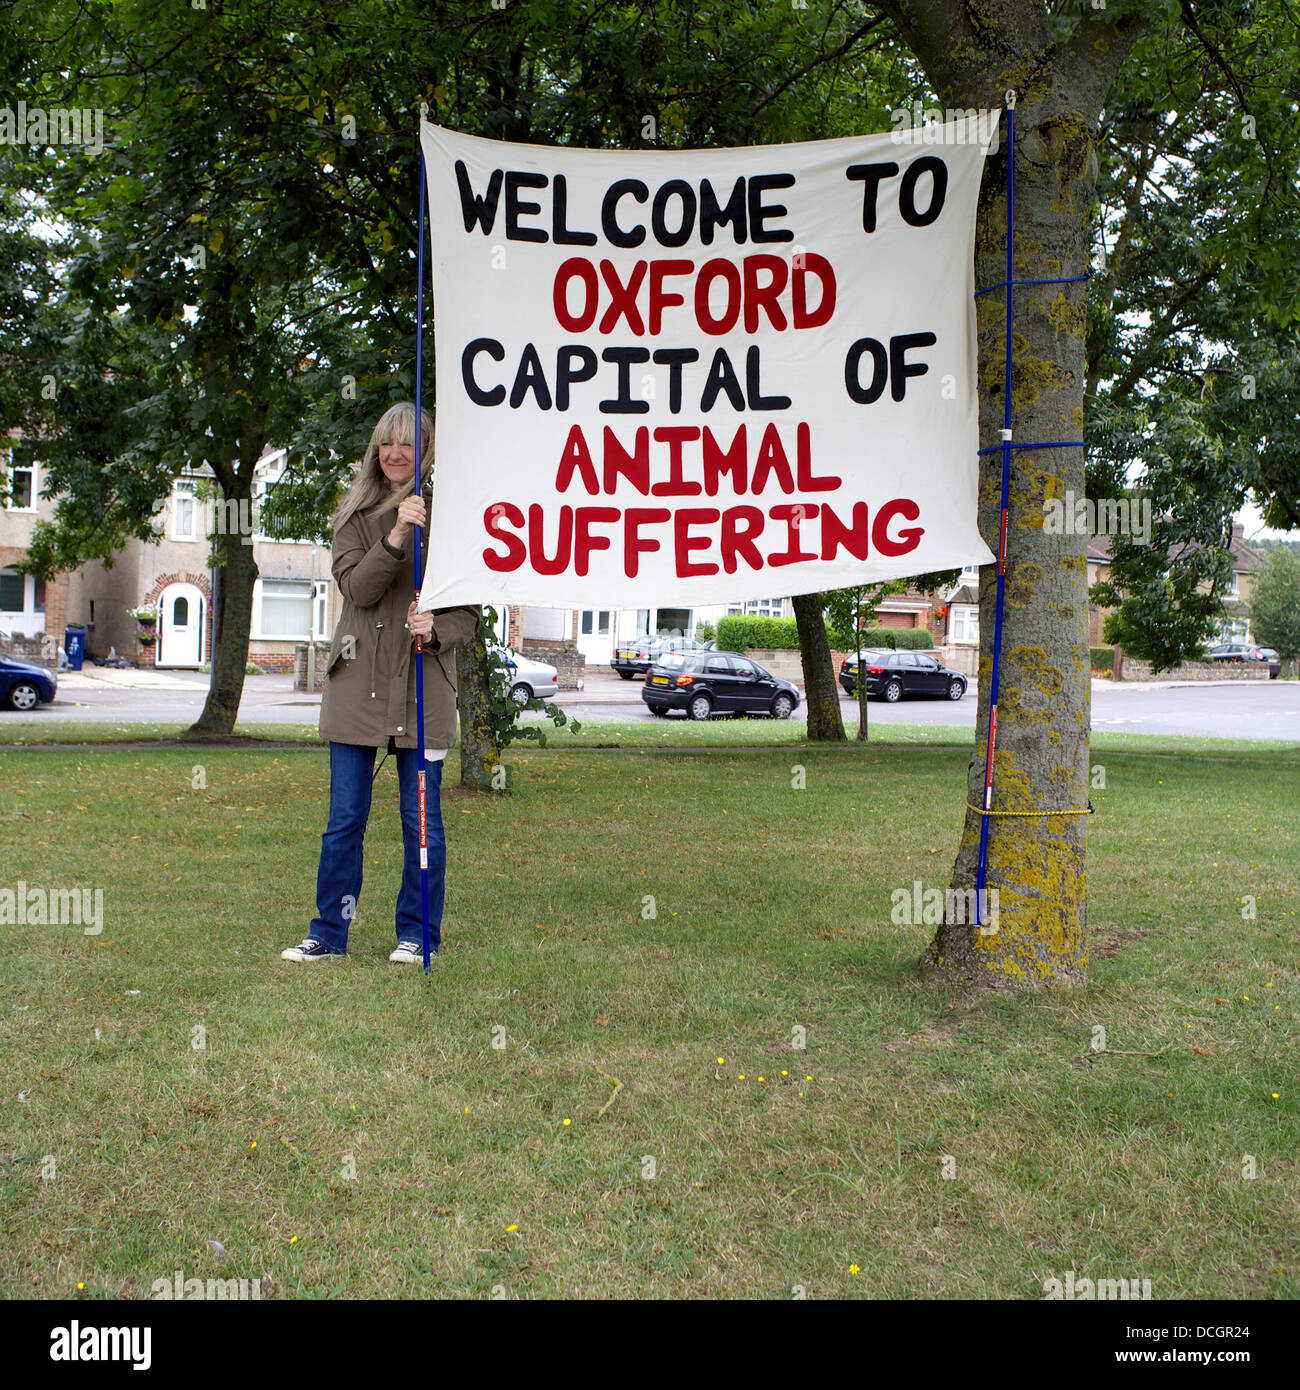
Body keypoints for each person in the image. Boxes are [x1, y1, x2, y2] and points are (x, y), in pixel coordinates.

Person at [281, 402, 481, 963]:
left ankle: (417, 936)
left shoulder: (453, 521)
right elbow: (361, 590)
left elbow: (469, 614)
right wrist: (397, 534)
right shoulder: (355, 518)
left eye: (409, 444)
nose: (396, 454)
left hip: (423, 693)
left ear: (426, 453)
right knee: (345, 820)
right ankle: (328, 934)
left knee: (422, 827)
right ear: (375, 450)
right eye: (387, 444)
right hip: (357, 692)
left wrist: (435, 628)